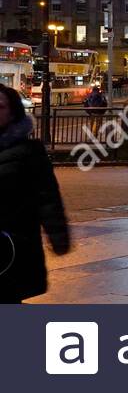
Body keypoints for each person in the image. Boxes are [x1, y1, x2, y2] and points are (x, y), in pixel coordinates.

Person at [0, 84, 70, 303]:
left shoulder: (30, 152)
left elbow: (47, 197)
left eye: (0, 106)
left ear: (12, 113)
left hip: (11, 248)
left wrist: (58, 237)